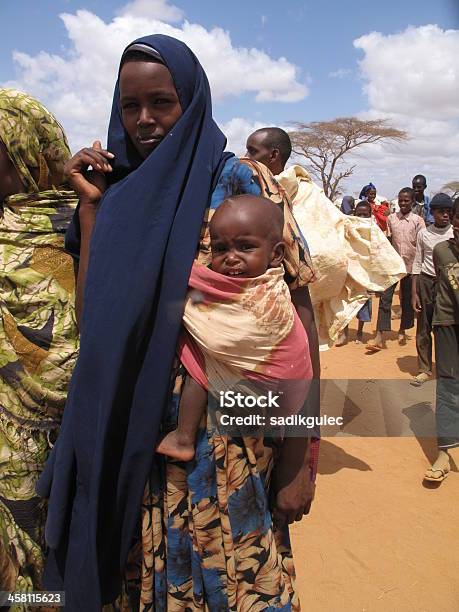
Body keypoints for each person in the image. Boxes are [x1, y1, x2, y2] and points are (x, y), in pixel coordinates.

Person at [37, 36, 318, 610]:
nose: (144, 120)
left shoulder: (238, 182)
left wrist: (299, 459)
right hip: (134, 438)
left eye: (161, 103)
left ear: (190, 101)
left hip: (229, 443)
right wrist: (92, 209)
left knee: (234, 585)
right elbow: (97, 319)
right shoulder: (117, 191)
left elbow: (298, 317)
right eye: (129, 106)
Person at [156, 195, 312, 461]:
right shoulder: (227, 286)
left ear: (276, 255)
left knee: (201, 358)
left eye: (245, 247)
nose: (231, 258)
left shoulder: (270, 294)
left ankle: (184, 437)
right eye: (220, 249)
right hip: (256, 405)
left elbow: (220, 329)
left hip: (270, 392)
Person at [0, 89, 79, 592]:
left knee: (67, 554)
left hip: (75, 432)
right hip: (5, 438)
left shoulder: (88, 220)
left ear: (32, 157)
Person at [245, 128, 406, 349]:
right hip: (251, 298)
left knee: (299, 351)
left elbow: (326, 252)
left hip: (295, 293)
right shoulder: (245, 189)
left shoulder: (307, 194)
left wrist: (286, 266)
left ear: (273, 155)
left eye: (252, 151)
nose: (246, 157)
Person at [423, 199, 459, 482]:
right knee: (447, 385)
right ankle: (445, 453)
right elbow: (440, 285)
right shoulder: (440, 251)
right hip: (447, 323)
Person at [366, 187, 425, 351]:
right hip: (392, 266)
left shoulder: (418, 221)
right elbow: (388, 239)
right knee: (385, 300)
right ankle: (379, 336)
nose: (403, 203)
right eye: (401, 200)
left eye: (406, 200)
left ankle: (402, 330)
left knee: (406, 301)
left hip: (411, 267)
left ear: (412, 202)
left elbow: (422, 245)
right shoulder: (391, 219)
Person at [411, 193, 454, 386]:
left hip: (449, 283)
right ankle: (424, 368)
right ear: (433, 213)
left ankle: (447, 368)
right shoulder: (424, 234)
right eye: (441, 212)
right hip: (426, 282)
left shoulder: (455, 233)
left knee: (446, 326)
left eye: (448, 212)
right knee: (424, 327)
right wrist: (414, 293)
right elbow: (418, 263)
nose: (445, 215)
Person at [336, 201, 374, 345]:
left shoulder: (373, 231)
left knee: (363, 302)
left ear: (370, 215)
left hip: (364, 273)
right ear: (354, 214)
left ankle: (359, 332)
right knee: (345, 301)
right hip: (349, 271)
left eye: (365, 214)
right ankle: (344, 333)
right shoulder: (347, 228)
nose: (362, 217)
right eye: (359, 214)